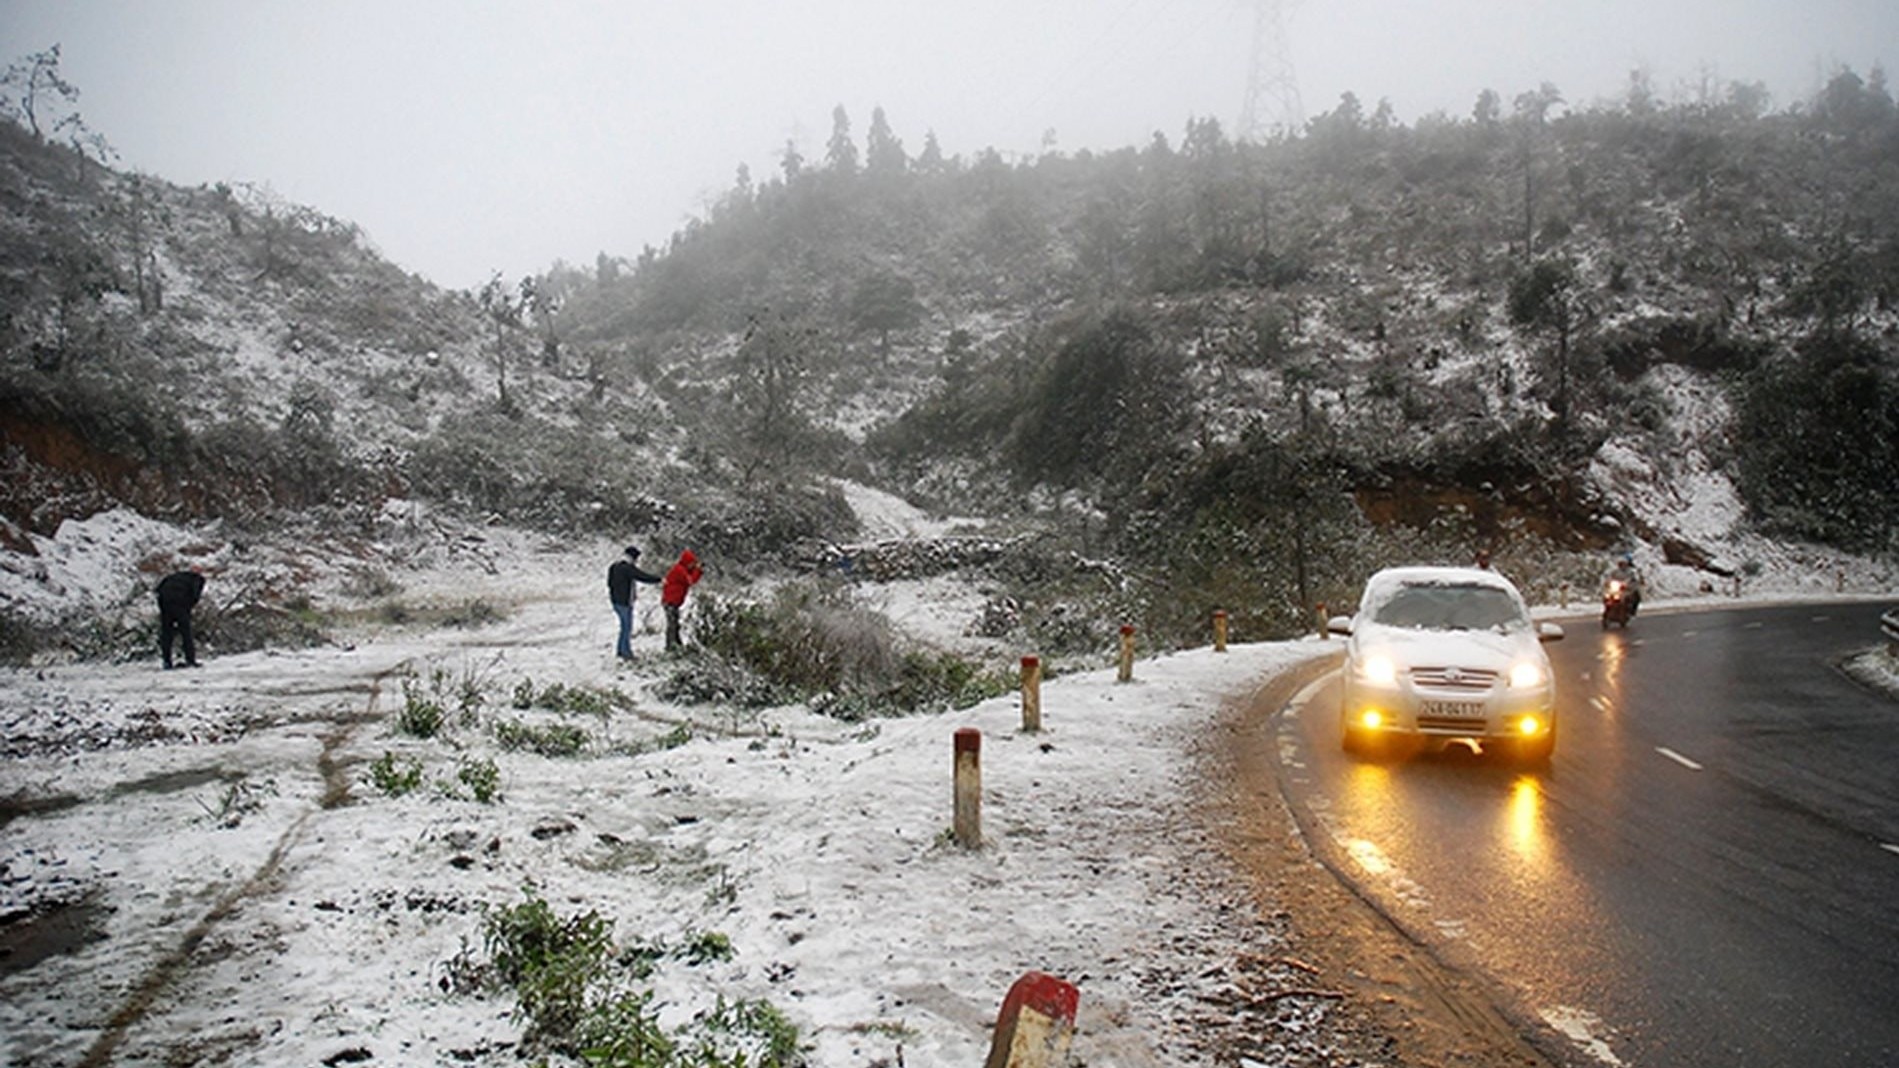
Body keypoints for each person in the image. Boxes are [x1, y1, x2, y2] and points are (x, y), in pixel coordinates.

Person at [606, 546, 661, 659]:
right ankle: (625, 653)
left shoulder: (614, 566)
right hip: (624, 602)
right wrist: (659, 579)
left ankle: (621, 650)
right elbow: (642, 576)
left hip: (616, 600)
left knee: (624, 627)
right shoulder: (628, 568)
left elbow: (609, 583)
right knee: (626, 628)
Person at [155, 567, 206, 669]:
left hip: (165, 603)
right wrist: (188, 608)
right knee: (186, 632)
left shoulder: (175, 576)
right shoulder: (198, 579)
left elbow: (158, 589)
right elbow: (195, 595)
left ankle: (167, 662)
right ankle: (190, 660)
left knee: (167, 633)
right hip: (180, 605)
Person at [660, 549, 704, 651]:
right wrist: (698, 570)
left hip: (673, 601)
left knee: (675, 624)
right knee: (672, 625)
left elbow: (691, 579)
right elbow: (690, 580)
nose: (692, 565)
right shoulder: (679, 570)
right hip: (670, 601)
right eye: (692, 563)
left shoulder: (682, 569)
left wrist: (698, 571)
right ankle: (671, 646)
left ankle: (676, 644)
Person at [1605, 552, 1644, 617]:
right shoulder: (1615, 571)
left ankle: (1630, 611)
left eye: (1623, 564)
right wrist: (1608, 582)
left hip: (1628, 589)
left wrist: (1627, 584)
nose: (1622, 565)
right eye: (1620, 564)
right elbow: (1610, 577)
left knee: (1634, 597)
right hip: (1617, 589)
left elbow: (1633, 578)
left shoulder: (1631, 571)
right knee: (1607, 596)